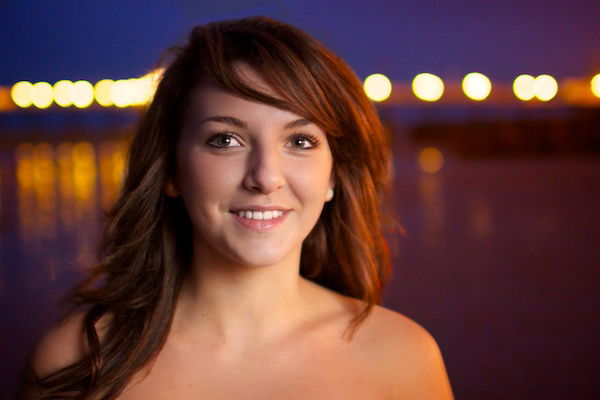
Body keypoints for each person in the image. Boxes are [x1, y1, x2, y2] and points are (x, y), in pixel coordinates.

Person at [19, 16, 453, 399]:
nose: (265, 177)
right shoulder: (76, 363)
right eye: (225, 140)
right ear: (170, 170)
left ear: (334, 176)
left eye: (299, 142)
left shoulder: (404, 357)